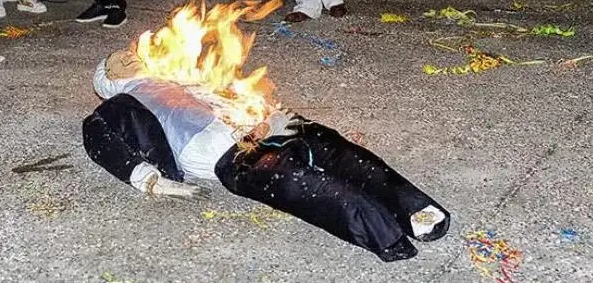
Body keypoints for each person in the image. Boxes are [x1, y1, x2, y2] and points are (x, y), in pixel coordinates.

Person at [83, 47, 451, 262]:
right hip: (228, 155)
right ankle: (384, 235)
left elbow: (226, 89)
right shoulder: (115, 106)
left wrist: (263, 111)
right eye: (117, 61)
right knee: (307, 186)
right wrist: (145, 177)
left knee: (337, 150)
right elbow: (99, 140)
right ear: (108, 81)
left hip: (258, 125)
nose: (127, 56)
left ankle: (414, 208)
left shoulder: (173, 77)